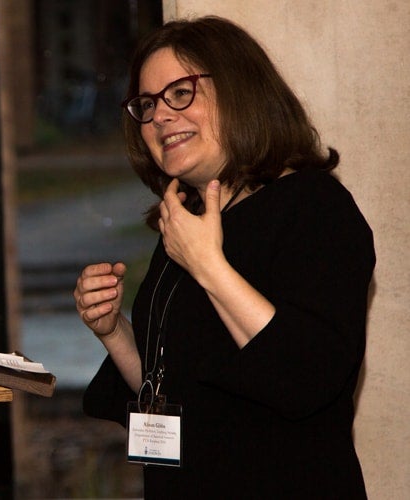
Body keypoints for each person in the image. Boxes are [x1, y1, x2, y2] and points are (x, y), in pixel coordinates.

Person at [73, 16, 374, 499]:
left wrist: (207, 265)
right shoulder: (188, 217)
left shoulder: (315, 207)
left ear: (239, 91)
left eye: (180, 93)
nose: (160, 117)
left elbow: (308, 378)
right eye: (147, 105)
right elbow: (171, 382)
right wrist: (114, 332)